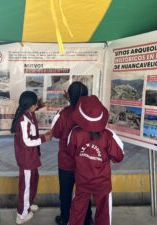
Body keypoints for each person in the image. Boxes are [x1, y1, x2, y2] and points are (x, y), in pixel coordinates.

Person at [67, 95, 124, 225]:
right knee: (104, 212)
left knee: (77, 210)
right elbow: (118, 157)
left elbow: (71, 153)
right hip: (102, 182)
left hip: (82, 180)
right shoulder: (108, 135)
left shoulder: (75, 133)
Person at [51, 82, 93, 225]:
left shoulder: (64, 113)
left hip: (66, 162)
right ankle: (87, 219)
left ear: (69, 96)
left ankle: (65, 219)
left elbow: (56, 133)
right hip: (86, 161)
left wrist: (69, 102)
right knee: (84, 192)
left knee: (65, 193)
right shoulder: (91, 113)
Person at [11, 91, 52, 224]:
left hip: (32, 157)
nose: (36, 107)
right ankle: (22, 214)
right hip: (26, 159)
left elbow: (33, 109)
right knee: (26, 186)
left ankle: (28, 204)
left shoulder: (29, 113)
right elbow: (27, 142)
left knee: (34, 180)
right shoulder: (24, 120)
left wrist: (39, 106)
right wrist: (44, 139)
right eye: (35, 104)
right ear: (30, 106)